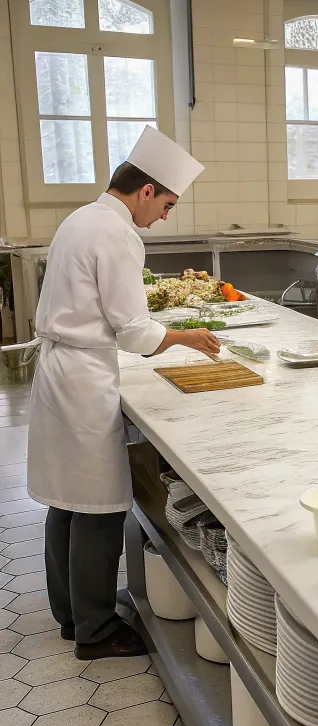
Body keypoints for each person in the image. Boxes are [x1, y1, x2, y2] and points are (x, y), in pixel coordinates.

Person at [28, 127, 219, 661]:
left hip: (61, 370)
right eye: (167, 204)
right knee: (98, 507)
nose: (164, 216)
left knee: (65, 503)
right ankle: (96, 631)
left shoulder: (79, 218)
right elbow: (134, 332)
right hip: (84, 378)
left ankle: (71, 615)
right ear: (146, 191)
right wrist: (187, 337)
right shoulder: (117, 235)